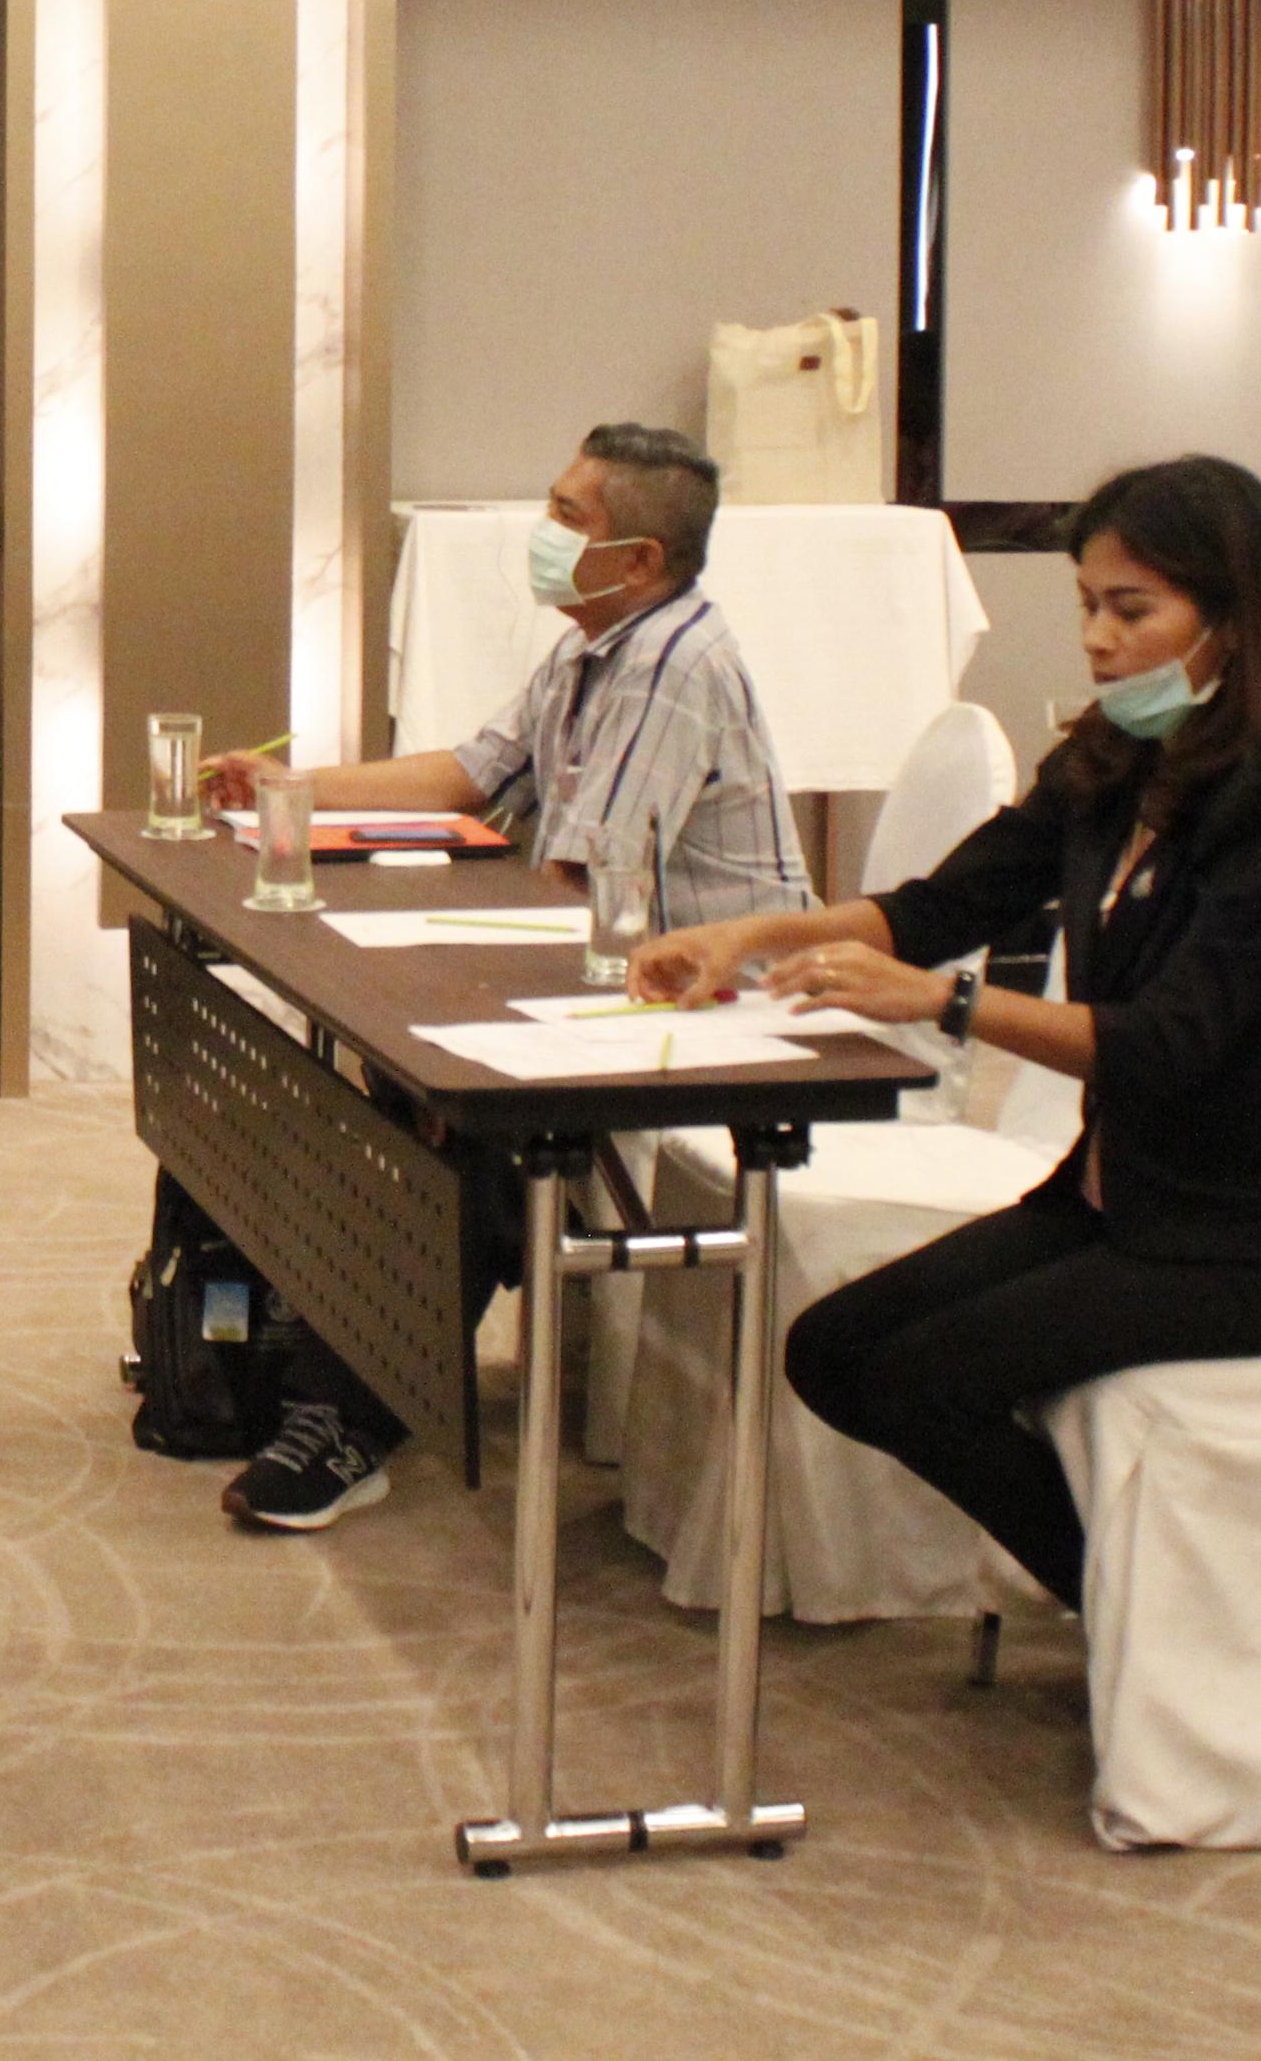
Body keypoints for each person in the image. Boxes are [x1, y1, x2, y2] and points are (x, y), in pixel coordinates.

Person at [622, 455, 1261, 1614]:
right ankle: (1139, 1600)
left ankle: (1155, 1618)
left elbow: (1167, 1045)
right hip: (1117, 1199)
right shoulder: (1113, 760)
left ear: (1230, 621)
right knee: (833, 1353)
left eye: (1132, 610)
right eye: (1088, 605)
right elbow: (944, 906)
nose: (1098, 638)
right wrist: (755, 936)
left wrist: (946, 1004)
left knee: (920, 1378)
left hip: (1255, 1235)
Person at [191, 422, 809, 1532]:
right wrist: (291, 789)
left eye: (569, 516)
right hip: (618, 973)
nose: (543, 531)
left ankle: (350, 1418)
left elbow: (576, 881)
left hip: (716, 1004)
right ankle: (328, 1365)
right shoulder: (590, 647)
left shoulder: (672, 667)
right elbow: (473, 775)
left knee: (464, 1118)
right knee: (396, 1087)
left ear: (639, 560)